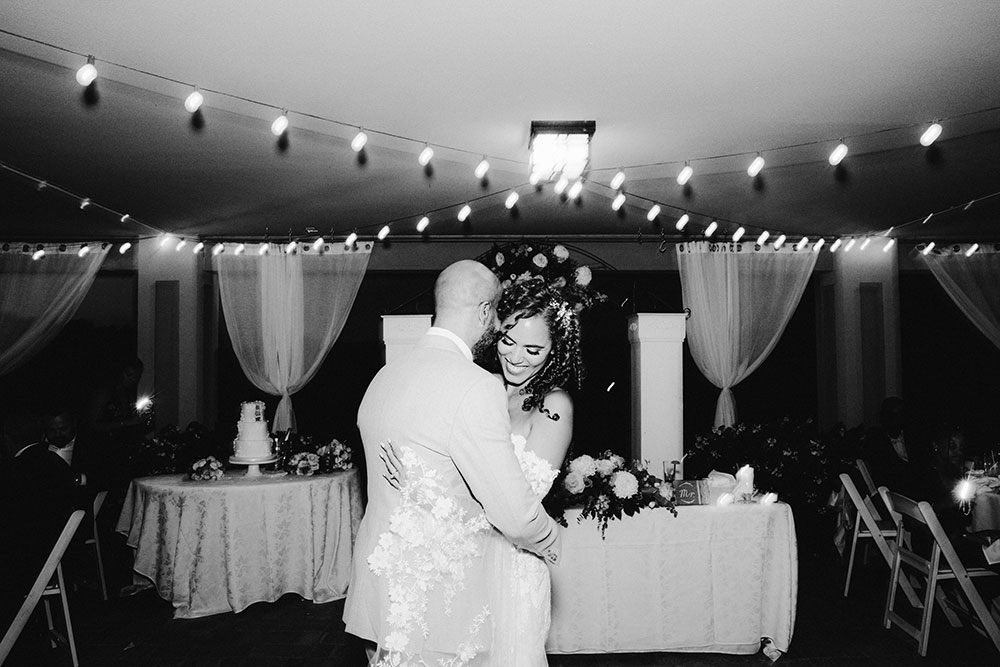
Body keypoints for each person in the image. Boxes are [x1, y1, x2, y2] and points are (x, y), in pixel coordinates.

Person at [344, 259, 562, 667]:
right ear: (484, 312)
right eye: (496, 315)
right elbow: (514, 514)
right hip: (437, 602)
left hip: (379, 592)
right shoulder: (476, 386)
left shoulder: (385, 376)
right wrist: (551, 539)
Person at [382, 273, 592, 666]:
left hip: (512, 566)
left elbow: (516, 502)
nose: (515, 357)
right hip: (461, 557)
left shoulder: (555, 405)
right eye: (508, 341)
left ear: (555, 351)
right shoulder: (480, 384)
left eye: (533, 349)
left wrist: (427, 489)